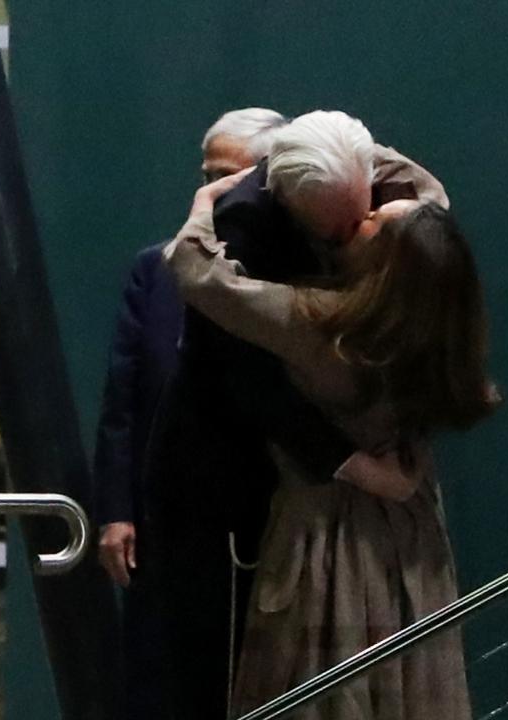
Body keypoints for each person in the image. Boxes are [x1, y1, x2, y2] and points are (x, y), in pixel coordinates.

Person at [144, 109, 451, 719]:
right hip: (251, 490)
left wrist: (201, 206)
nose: (354, 230)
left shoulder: (330, 305)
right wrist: (357, 466)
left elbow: (194, 269)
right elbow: (243, 377)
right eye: (341, 227)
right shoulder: (388, 290)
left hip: (326, 504)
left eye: (363, 218)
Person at [91, 106, 287, 720]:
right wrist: (117, 512)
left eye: (232, 176)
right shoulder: (157, 268)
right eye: (208, 174)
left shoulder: (286, 275)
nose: (213, 191)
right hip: (163, 519)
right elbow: (124, 398)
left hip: (254, 519)